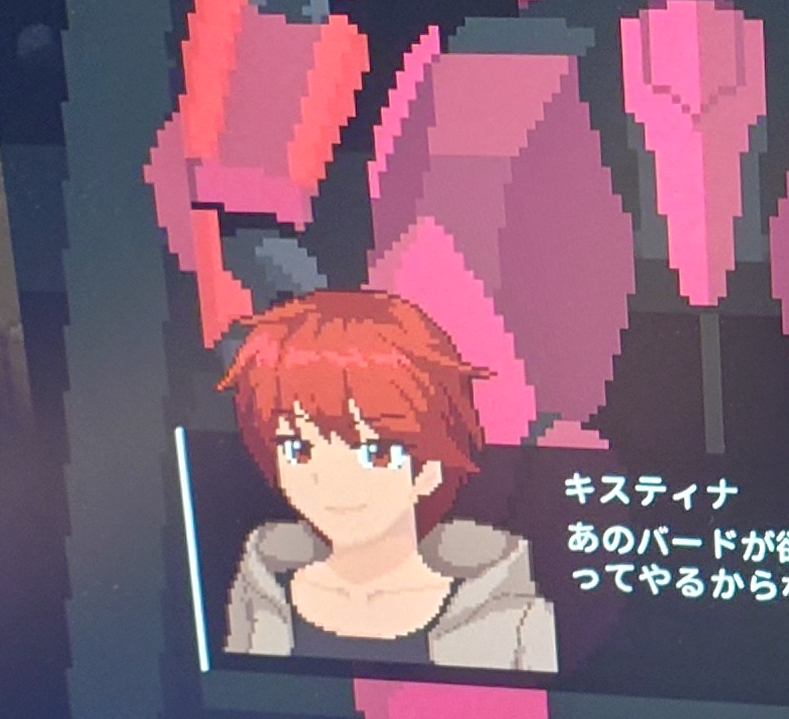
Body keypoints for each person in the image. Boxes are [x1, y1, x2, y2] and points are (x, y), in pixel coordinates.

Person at [218, 287, 556, 675]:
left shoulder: (514, 619)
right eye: (299, 449)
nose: (333, 482)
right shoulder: (260, 593)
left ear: (430, 468)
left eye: (376, 453)